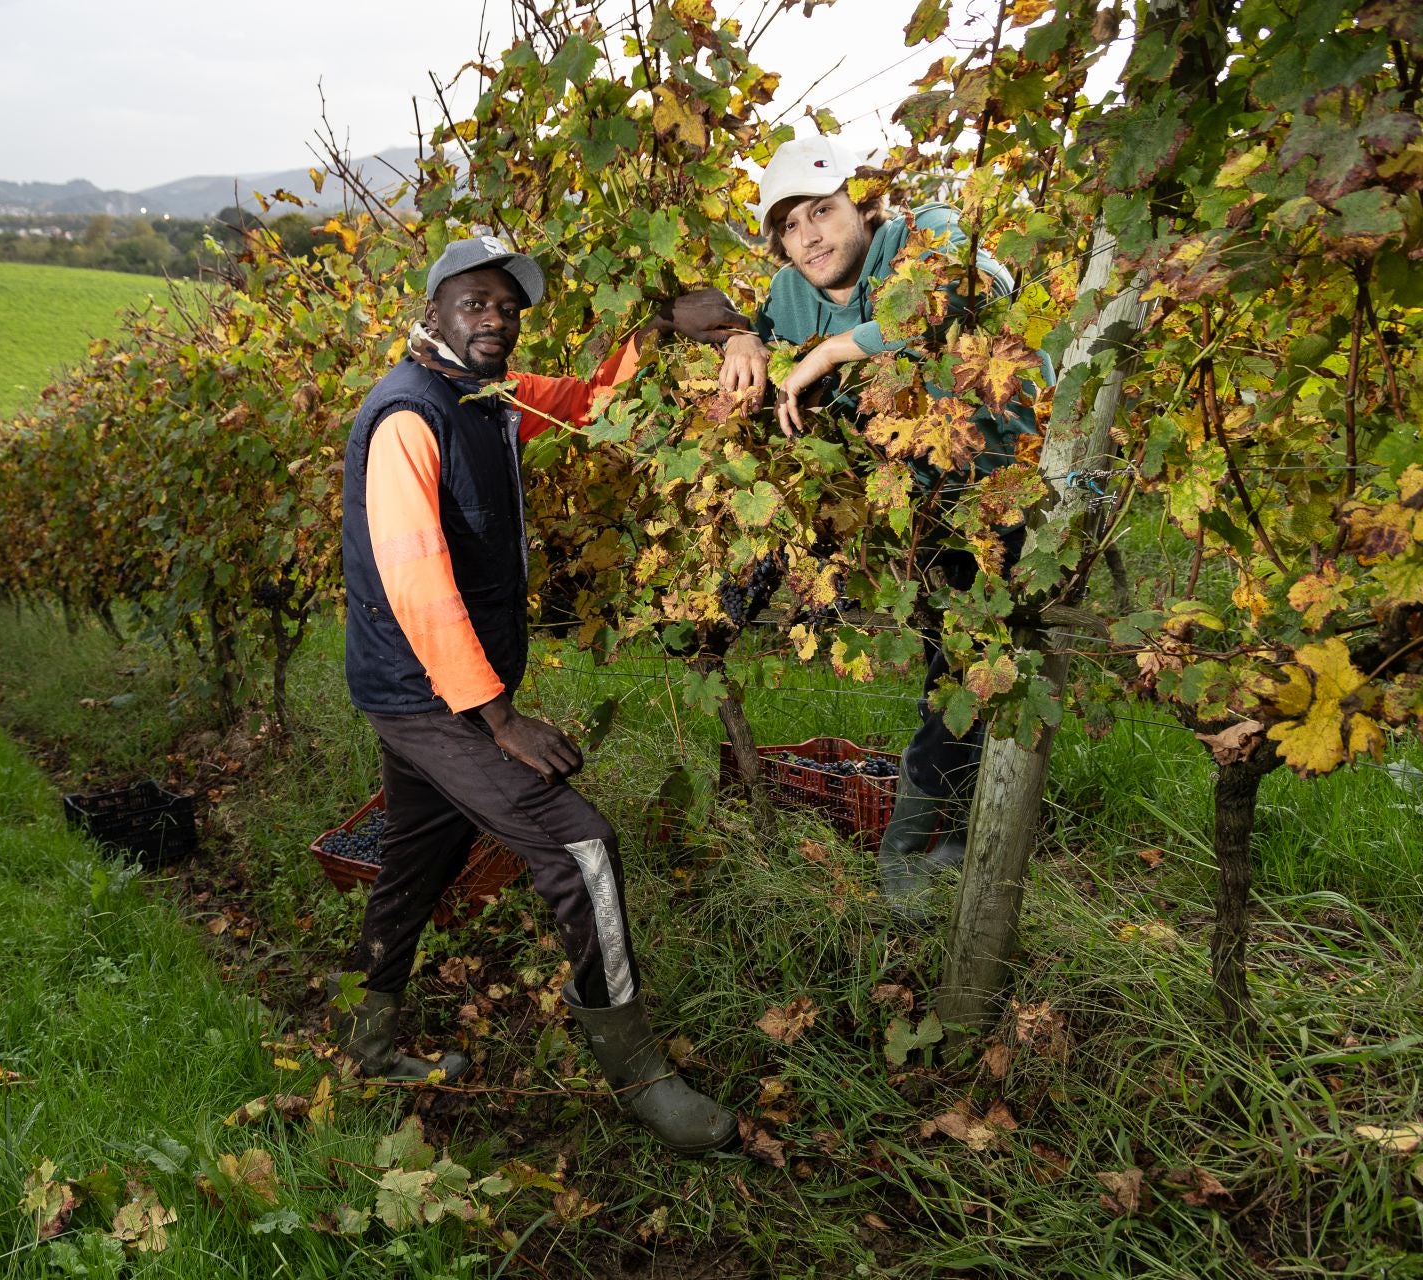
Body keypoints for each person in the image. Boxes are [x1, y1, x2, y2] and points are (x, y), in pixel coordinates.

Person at [334, 233, 743, 1154]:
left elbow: (595, 401)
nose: (496, 318)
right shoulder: (409, 413)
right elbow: (414, 578)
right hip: (427, 696)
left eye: (509, 306)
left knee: (416, 857)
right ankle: (639, 1071)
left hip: (427, 691)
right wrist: (497, 716)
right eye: (475, 302)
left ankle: (369, 1035)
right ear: (433, 311)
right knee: (584, 847)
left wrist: (656, 329)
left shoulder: (492, 399)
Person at [713, 134, 1047, 917]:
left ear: (861, 207)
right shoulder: (788, 293)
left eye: (823, 212)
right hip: (895, 504)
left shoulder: (923, 231)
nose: (810, 237)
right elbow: (724, 318)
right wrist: (739, 335)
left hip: (987, 490)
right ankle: (941, 837)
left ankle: (926, 847)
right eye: (791, 226)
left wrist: (832, 352)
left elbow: (976, 285)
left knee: (964, 665)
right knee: (940, 651)